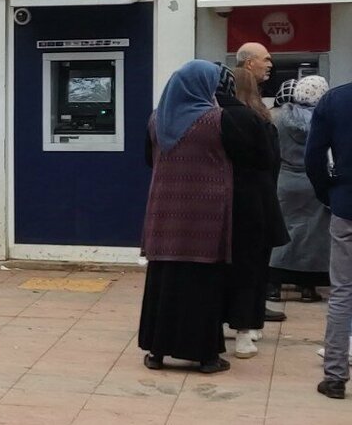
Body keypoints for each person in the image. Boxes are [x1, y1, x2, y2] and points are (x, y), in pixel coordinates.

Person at [139, 60, 243, 374]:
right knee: (202, 286)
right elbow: (246, 156)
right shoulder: (217, 119)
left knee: (163, 283)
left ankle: (157, 353)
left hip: (164, 215)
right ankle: (206, 357)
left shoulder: (157, 120)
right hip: (205, 219)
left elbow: (148, 159)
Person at [217, 66, 288, 359]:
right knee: (254, 267)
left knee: (224, 266)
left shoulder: (217, 118)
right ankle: (248, 327)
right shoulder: (262, 120)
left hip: (223, 201)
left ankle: (223, 317)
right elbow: (271, 163)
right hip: (258, 202)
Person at [305, 79, 352, 400]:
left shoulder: (335, 101)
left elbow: (314, 158)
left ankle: (335, 377)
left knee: (343, 291)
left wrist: (329, 194)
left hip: (347, 205)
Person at [269, 76, 331, 304]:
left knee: (282, 229)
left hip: (283, 181)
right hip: (313, 182)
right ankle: (307, 287)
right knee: (311, 235)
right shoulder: (324, 119)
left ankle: (273, 285)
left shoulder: (276, 118)